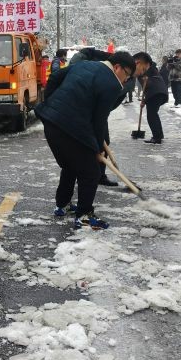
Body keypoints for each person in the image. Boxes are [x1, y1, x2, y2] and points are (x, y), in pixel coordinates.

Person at [35, 51, 136, 230]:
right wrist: (97, 148)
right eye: (126, 75)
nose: (126, 80)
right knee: (91, 172)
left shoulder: (84, 64)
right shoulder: (112, 83)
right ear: (117, 67)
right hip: (70, 127)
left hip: (51, 122)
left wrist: (51, 102)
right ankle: (84, 216)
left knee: (71, 166)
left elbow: (55, 76)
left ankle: (62, 205)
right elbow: (99, 120)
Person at [133, 52, 168, 144]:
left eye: (137, 62)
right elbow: (146, 88)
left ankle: (157, 137)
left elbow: (149, 86)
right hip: (158, 93)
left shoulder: (148, 71)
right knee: (153, 114)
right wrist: (144, 100)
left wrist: (144, 100)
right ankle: (159, 135)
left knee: (151, 116)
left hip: (155, 93)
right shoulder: (150, 70)